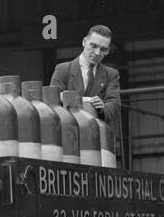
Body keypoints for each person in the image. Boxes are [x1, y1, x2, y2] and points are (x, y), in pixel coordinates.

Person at [50, 25, 122, 160]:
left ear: (107, 51)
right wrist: (63, 98)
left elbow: (115, 106)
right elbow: (50, 104)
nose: (97, 53)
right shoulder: (62, 70)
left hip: (98, 143)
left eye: (103, 49)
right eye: (93, 46)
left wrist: (102, 108)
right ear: (84, 42)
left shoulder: (112, 75)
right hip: (67, 141)